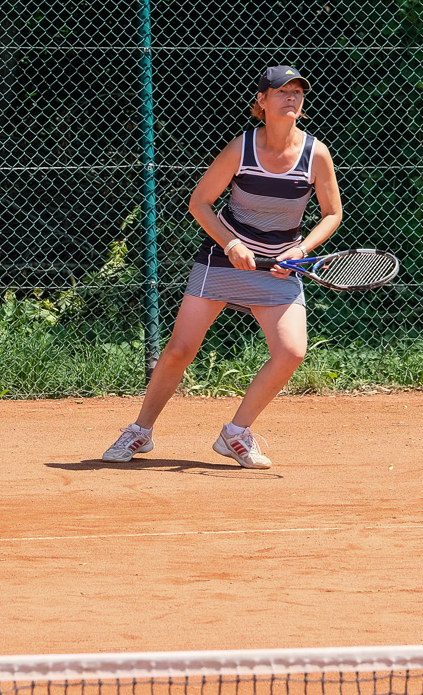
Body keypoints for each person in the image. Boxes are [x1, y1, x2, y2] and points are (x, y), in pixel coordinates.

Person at [100, 66, 341, 469]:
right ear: (261, 101)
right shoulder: (240, 149)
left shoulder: (315, 153)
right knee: (179, 350)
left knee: (292, 352)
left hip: (279, 267)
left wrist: (301, 250)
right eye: (282, 92)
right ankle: (140, 432)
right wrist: (230, 243)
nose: (292, 98)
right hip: (221, 262)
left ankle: (235, 434)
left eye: (298, 92)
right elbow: (200, 202)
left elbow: (332, 214)